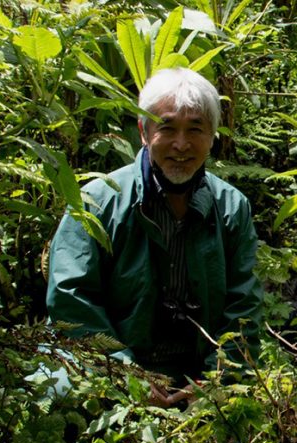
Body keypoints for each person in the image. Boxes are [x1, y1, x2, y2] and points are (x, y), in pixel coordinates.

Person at [45, 68, 263, 407]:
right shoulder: (97, 202)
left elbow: (244, 309)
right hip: (112, 365)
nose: (181, 144)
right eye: (167, 127)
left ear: (213, 135)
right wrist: (125, 374)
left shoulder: (232, 208)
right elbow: (71, 303)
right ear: (143, 131)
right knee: (54, 389)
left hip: (196, 372)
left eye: (195, 129)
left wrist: (214, 379)